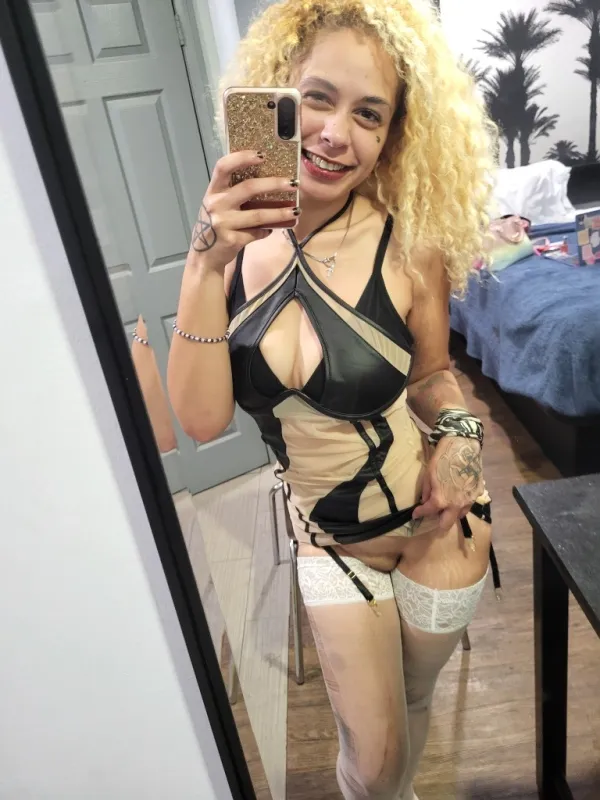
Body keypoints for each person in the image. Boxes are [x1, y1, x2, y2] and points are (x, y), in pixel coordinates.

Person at [168, 1, 497, 797]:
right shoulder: (225, 250)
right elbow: (203, 419)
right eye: (317, 98)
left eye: (368, 114)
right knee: (372, 760)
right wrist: (204, 264)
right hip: (329, 539)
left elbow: (431, 377)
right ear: (276, 92)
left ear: (392, 137)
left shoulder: (409, 243)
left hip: (440, 529)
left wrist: (460, 439)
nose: (335, 134)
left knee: (412, 706)